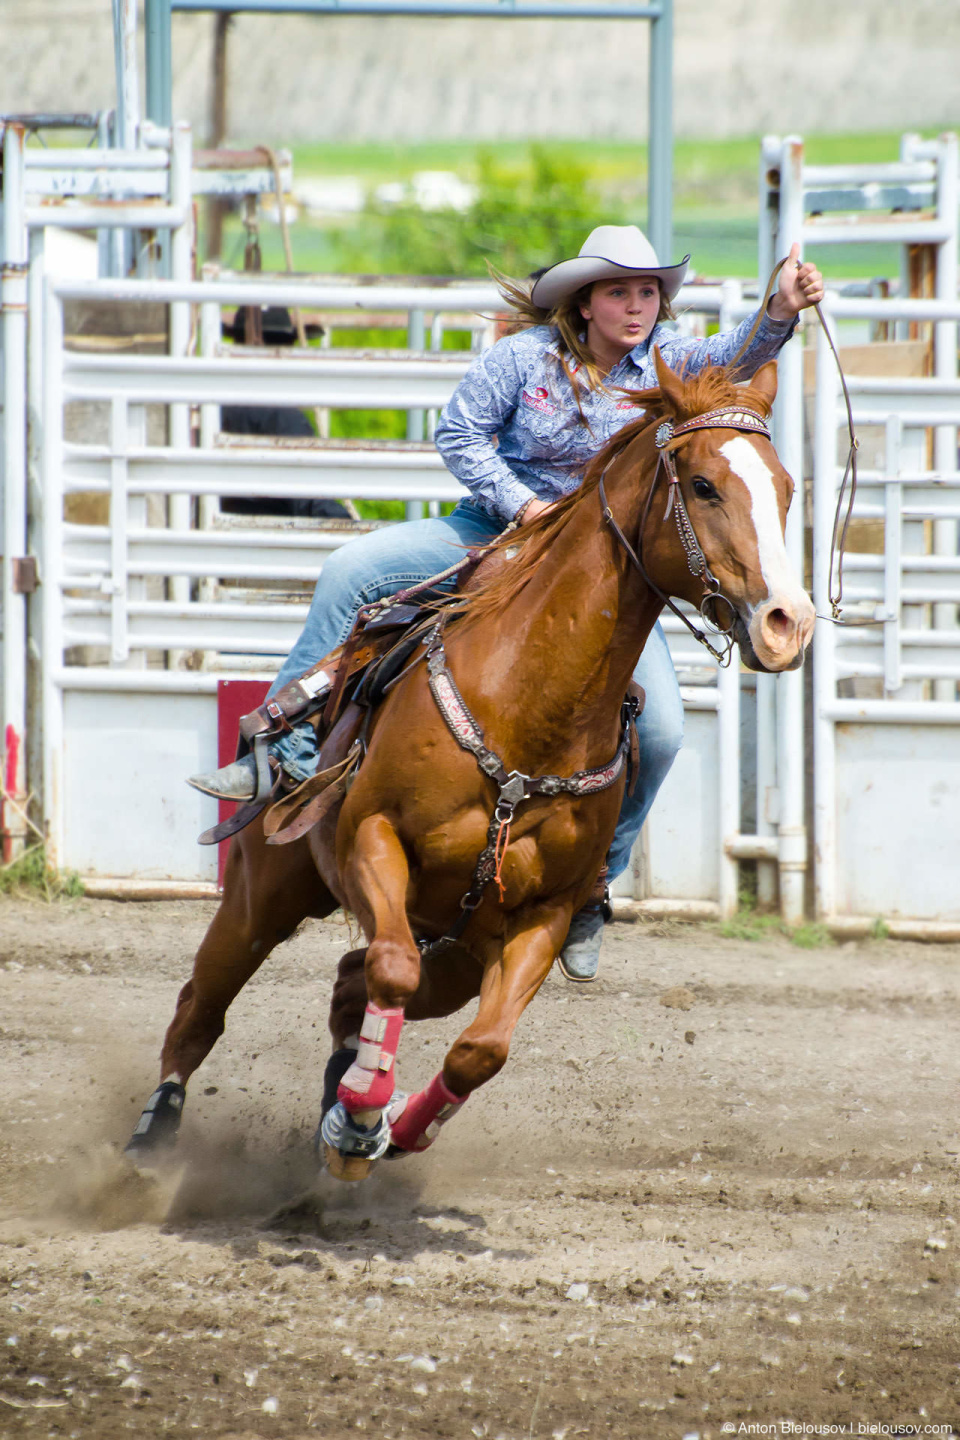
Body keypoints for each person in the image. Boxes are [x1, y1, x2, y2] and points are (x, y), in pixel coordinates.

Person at [190, 225, 824, 981]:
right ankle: (283, 758)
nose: (636, 305)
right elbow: (459, 433)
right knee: (351, 570)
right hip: (492, 531)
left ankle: (591, 885)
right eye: (619, 291)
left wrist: (780, 309)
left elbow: (739, 358)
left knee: (658, 735)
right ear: (584, 302)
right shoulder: (523, 359)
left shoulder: (669, 362)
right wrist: (522, 506)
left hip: (604, 573)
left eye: (647, 291)